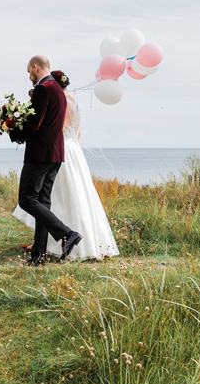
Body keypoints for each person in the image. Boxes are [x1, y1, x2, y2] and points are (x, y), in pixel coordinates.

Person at [13, 70, 120, 261]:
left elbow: (55, 127)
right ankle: (40, 252)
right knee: (60, 199)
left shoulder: (55, 98)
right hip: (72, 150)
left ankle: (66, 234)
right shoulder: (73, 101)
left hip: (54, 150)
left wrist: (21, 127)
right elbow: (76, 133)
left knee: (43, 199)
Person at [7, 55, 82, 265]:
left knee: (27, 199)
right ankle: (37, 256)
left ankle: (67, 234)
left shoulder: (43, 88)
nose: (29, 76)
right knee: (42, 203)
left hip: (39, 154)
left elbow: (35, 124)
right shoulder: (58, 89)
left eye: (29, 71)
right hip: (56, 154)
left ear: (35, 67)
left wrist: (12, 129)